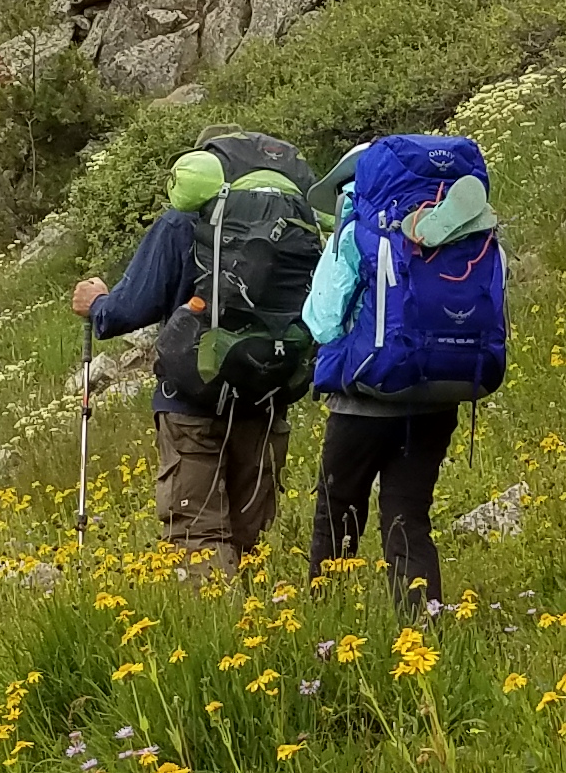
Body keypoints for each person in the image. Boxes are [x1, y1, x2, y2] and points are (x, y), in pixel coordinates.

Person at [301, 134, 506, 606]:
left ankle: (325, 626)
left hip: (365, 401)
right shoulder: (474, 229)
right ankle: (421, 625)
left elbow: (323, 319)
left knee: (336, 516)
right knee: (409, 515)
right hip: (439, 393)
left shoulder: (358, 228)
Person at [71, 146, 300, 567]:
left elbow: (128, 309)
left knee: (197, 531)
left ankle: (218, 627)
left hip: (192, 398)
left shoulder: (182, 222)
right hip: (267, 394)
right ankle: (261, 622)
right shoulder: (291, 221)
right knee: (253, 533)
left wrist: (97, 303)